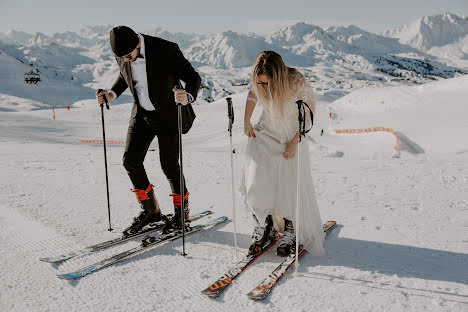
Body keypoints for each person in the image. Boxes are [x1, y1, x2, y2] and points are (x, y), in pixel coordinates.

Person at [96, 26, 201, 236]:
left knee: (169, 164)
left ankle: (182, 215)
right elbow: (126, 76)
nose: (126, 60)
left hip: (169, 114)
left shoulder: (166, 49)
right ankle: (151, 212)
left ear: (137, 42)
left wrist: (187, 95)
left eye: (128, 55)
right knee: (130, 160)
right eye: (121, 57)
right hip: (142, 114)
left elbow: (193, 77)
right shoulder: (123, 53)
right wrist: (112, 94)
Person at [240, 51, 325, 257]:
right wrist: (246, 120)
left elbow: (309, 113)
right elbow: (252, 96)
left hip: (291, 136)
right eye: (261, 83)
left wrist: (295, 142)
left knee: (287, 180)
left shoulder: (296, 81)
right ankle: (263, 221)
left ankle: (291, 226)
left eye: (268, 83)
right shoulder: (259, 81)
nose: (264, 88)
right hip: (266, 131)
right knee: (257, 176)